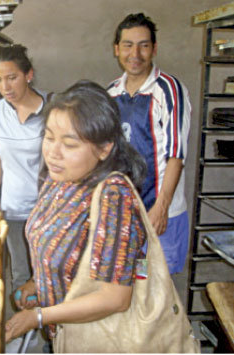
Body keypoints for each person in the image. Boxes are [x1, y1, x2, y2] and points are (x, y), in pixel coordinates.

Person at [5, 80, 148, 349]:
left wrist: (38, 317)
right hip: (62, 334)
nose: (53, 152)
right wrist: (38, 283)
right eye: (49, 137)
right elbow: (66, 248)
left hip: (99, 340)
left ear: (104, 148)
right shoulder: (56, 180)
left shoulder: (113, 197)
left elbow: (115, 298)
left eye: (69, 144)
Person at [107, 13, 192, 274]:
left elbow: (176, 155)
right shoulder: (110, 93)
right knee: (129, 287)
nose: (135, 53)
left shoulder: (168, 90)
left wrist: (161, 207)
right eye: (128, 45)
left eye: (143, 45)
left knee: (159, 291)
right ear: (117, 49)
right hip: (125, 214)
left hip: (160, 213)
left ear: (154, 49)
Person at [0, 44, 50, 293]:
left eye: (12, 78)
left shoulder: (52, 109)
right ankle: (26, 326)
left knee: (49, 272)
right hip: (14, 210)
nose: (5, 87)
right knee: (20, 273)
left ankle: (50, 326)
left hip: (48, 210)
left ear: (28, 75)